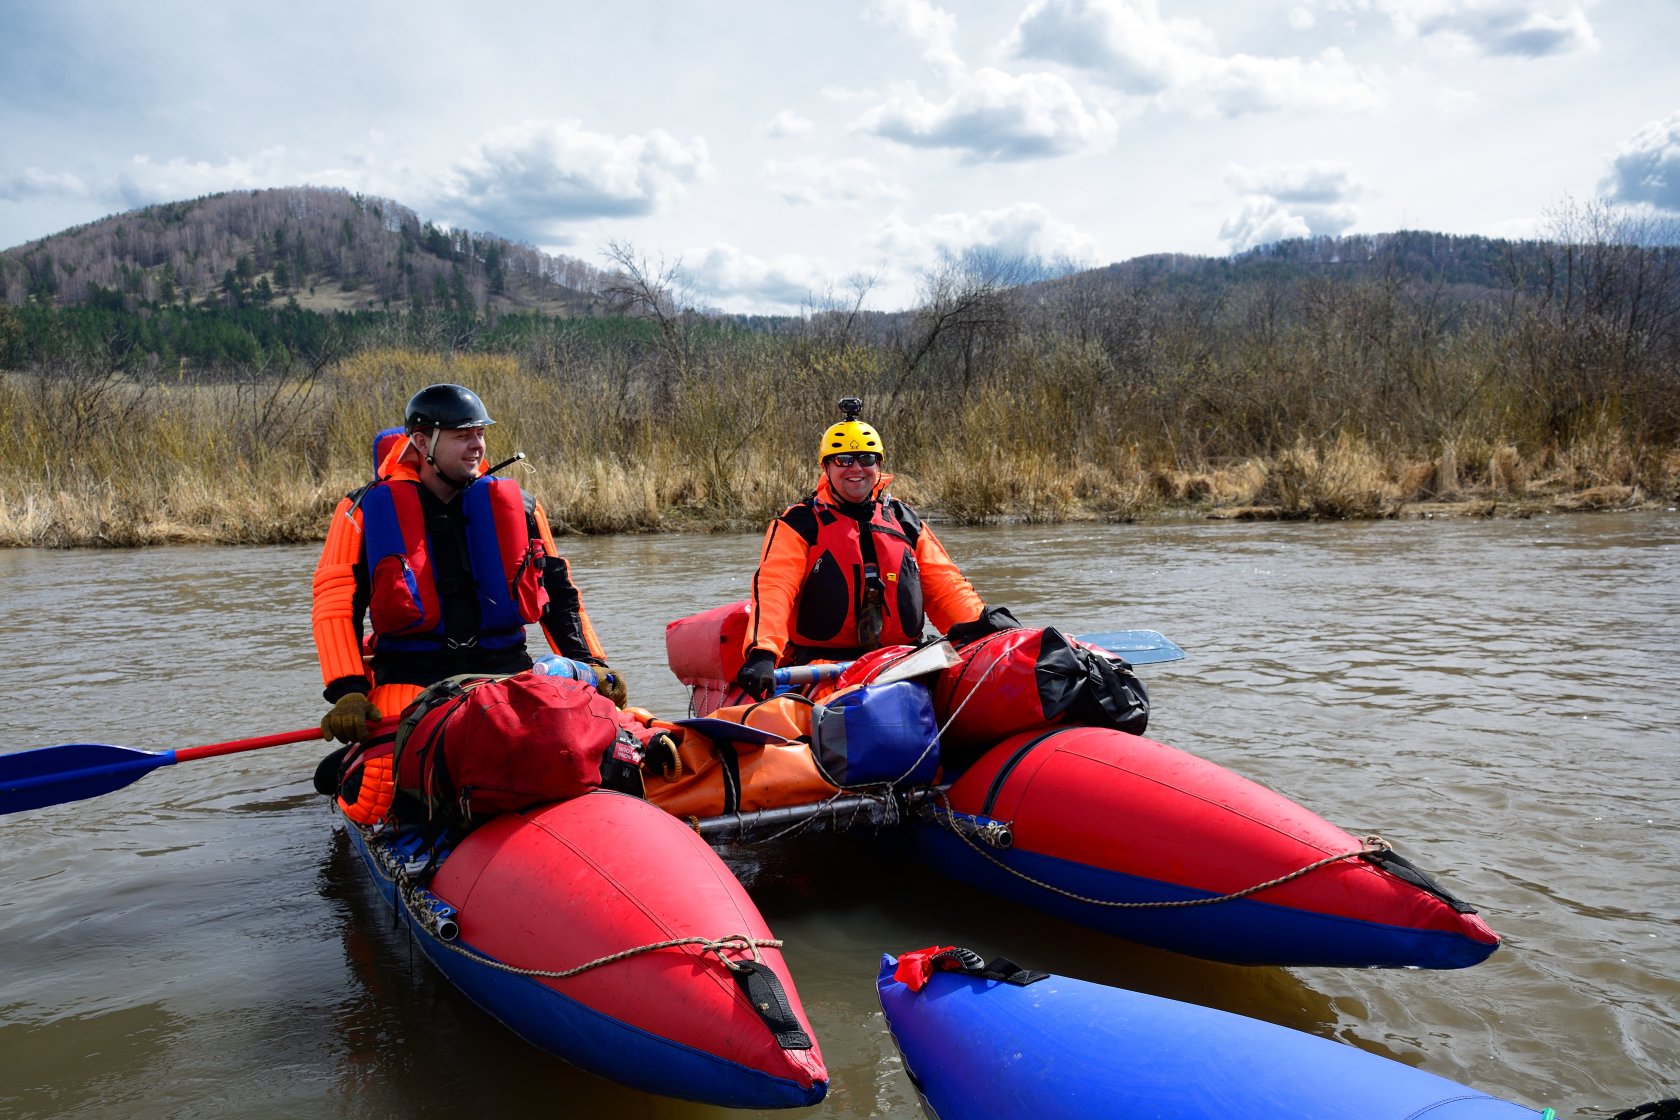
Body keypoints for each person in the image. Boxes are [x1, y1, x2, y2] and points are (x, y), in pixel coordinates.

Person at [310, 382, 625, 821]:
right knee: (374, 797)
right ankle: (352, 765)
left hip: (506, 669)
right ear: (422, 442)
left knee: (603, 749)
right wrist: (348, 692)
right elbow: (335, 605)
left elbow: (560, 595)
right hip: (410, 674)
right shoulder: (361, 510)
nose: (476, 445)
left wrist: (590, 663)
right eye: (462, 435)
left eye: (479, 433)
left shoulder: (523, 507)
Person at [734, 397, 1019, 700]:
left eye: (866, 458)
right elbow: (774, 588)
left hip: (903, 663)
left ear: (879, 464)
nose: (855, 468)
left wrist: (981, 623)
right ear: (826, 466)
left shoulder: (903, 520)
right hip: (823, 668)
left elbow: (944, 586)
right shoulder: (800, 523)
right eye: (843, 459)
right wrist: (762, 651)